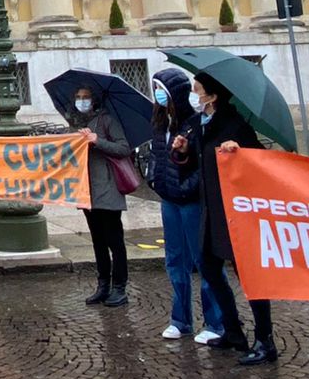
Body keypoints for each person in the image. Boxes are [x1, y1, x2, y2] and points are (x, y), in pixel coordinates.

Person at [198, 77, 276, 365]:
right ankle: (233, 331)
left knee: (248, 276)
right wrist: (181, 152)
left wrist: (240, 153)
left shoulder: (236, 125)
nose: (195, 93)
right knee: (207, 265)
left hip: (234, 214)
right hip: (210, 211)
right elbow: (197, 163)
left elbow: (261, 160)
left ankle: (265, 340)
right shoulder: (202, 124)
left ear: (213, 95)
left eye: (198, 89)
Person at [147, 67, 224, 340]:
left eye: (162, 90)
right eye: (155, 89)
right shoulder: (158, 122)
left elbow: (202, 164)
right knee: (174, 260)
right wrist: (154, 179)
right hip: (168, 199)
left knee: (203, 261)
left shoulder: (195, 124)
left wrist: (189, 187)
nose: (158, 95)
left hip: (192, 201)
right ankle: (180, 320)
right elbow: (156, 156)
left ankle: (215, 323)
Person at [74, 81, 134, 308]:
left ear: (95, 99)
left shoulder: (107, 121)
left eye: (86, 96)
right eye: (78, 96)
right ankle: (103, 285)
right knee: (98, 241)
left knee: (114, 241)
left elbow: (123, 148)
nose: (81, 100)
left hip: (107, 189)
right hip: (87, 190)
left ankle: (119, 287)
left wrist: (97, 141)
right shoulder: (77, 125)